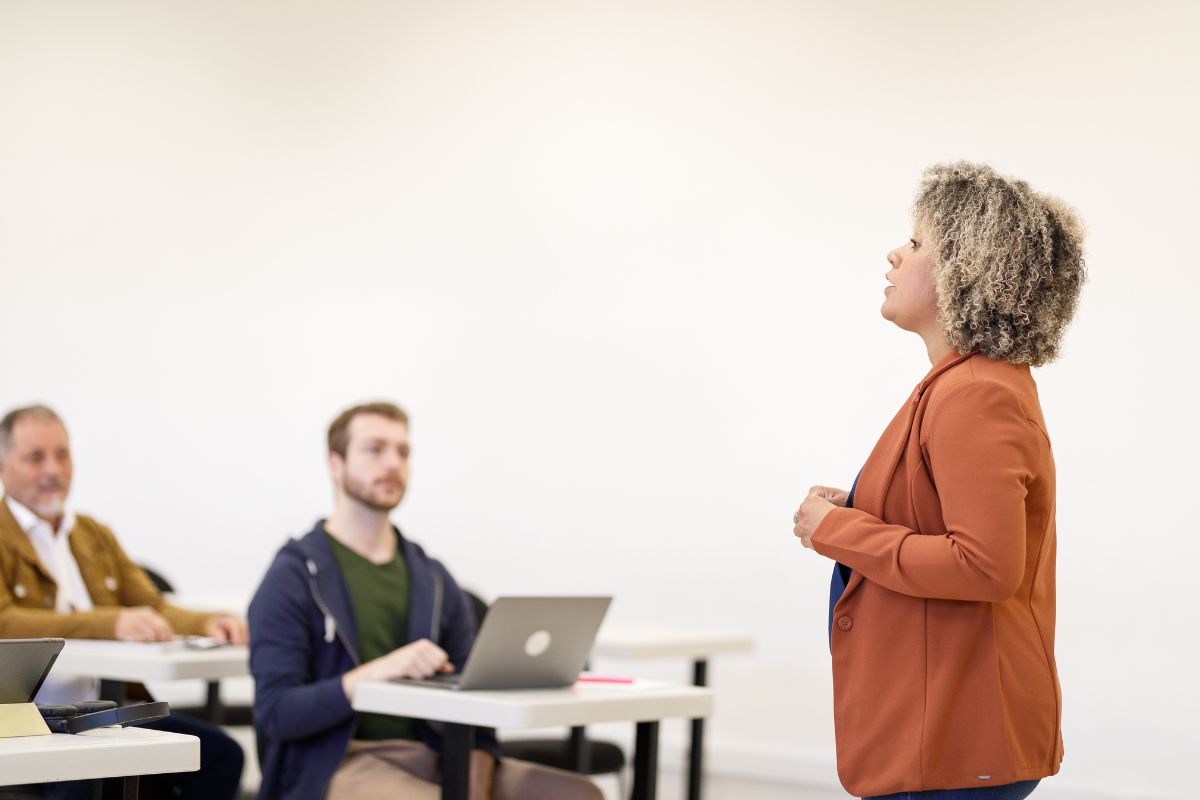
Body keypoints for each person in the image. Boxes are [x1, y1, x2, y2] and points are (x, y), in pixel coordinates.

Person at [791, 162, 1085, 800]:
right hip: (946, 735)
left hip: (955, 741)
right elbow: (946, 520)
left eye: (917, 243)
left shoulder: (975, 393)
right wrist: (863, 504)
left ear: (967, 269)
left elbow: (983, 565)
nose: (894, 255)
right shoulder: (967, 385)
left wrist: (837, 530)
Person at [249, 401, 602, 800]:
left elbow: (475, 693)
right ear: (336, 464)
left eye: (403, 452)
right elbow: (276, 712)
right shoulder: (295, 574)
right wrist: (370, 675)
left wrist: (477, 773)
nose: (393, 463)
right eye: (374, 449)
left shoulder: (431, 576)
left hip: (436, 752)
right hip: (334, 761)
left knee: (578, 794)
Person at [0, 404, 247, 800]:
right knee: (91, 772)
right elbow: (5, 622)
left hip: (109, 715)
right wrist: (110, 623)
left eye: (62, 455)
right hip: (31, 723)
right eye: (35, 458)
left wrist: (208, 623)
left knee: (220, 756)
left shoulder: (93, 534)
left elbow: (151, 606)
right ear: (2, 467)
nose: (53, 470)